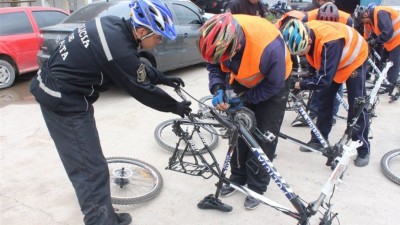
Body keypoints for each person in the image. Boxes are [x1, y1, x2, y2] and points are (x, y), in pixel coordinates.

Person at [29, 0, 192, 224]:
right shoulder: (117, 47)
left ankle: (107, 215)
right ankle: (101, 221)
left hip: (64, 90)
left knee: (92, 163)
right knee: (89, 169)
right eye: (159, 36)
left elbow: (136, 66)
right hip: (63, 100)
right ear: (142, 31)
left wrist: (163, 78)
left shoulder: (113, 25)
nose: (160, 41)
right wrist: (175, 106)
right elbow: (141, 89)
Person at [197, 12, 292, 209]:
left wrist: (247, 99)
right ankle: (238, 176)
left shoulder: (269, 47)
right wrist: (218, 88)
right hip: (242, 80)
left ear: (236, 45)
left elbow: (274, 84)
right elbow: (215, 68)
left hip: (273, 85)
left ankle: (257, 187)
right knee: (238, 130)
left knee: (263, 135)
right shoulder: (217, 37)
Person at [281, 19, 370, 167]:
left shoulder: (330, 43)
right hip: (334, 59)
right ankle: (318, 139)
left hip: (354, 59)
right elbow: (314, 58)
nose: (301, 54)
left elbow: (323, 80)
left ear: (309, 40)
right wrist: (309, 74)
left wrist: (298, 84)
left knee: (357, 104)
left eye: (302, 51)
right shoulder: (307, 32)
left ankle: (362, 148)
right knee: (324, 100)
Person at [291, 2, 351, 127]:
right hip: (317, 46)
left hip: (341, 53)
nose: (326, 25)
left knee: (331, 81)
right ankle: (313, 112)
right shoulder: (308, 17)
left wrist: (299, 84)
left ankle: (331, 114)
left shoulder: (347, 19)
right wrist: (308, 63)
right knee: (317, 79)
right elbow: (306, 39)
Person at [353, 4, 400, 94]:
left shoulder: (380, 13)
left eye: (363, 21)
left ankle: (390, 87)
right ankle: (380, 82)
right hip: (391, 41)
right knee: (382, 62)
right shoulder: (373, 18)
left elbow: (388, 31)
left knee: (393, 64)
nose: (364, 23)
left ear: (365, 14)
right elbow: (378, 32)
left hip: (398, 40)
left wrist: (376, 41)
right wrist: (369, 40)